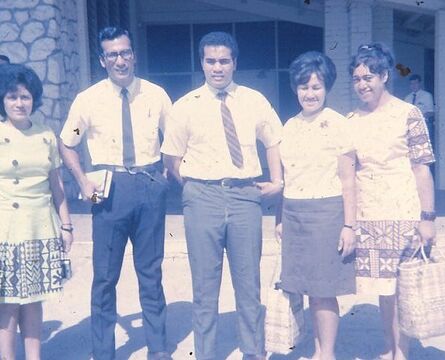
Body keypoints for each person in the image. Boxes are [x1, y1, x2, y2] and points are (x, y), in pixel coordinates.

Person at [161, 31, 283, 360]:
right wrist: (195, 186)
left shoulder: (254, 100)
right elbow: (172, 158)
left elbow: (273, 140)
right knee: (204, 287)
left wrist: (278, 179)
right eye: (211, 61)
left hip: (245, 195)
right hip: (202, 196)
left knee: (248, 285)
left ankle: (253, 353)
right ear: (202, 63)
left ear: (234, 63)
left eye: (224, 61)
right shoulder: (185, 106)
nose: (218, 67)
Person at [58, 27, 172, 360]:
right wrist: (82, 181)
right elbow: (68, 142)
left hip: (149, 185)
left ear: (133, 54)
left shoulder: (155, 95)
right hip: (108, 189)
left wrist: (167, 171)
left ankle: (159, 348)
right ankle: (104, 351)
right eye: (112, 55)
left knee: (151, 273)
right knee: (105, 277)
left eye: (125, 53)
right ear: (102, 60)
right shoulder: (88, 100)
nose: (120, 60)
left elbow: (176, 136)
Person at [349, 43, 435, 360]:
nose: (362, 84)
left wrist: (427, 218)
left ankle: (403, 351)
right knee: (384, 290)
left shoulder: (408, 114)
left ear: (384, 75)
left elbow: (422, 168)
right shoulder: (351, 120)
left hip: (403, 211)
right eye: (357, 78)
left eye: (368, 77)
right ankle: (390, 347)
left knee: (404, 289)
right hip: (369, 214)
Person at [277, 51, 356, 360]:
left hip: (327, 213)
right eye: (303, 87)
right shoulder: (289, 126)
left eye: (316, 87)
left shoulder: (338, 124)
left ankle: (328, 354)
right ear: (295, 88)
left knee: (324, 290)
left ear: (327, 88)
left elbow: (349, 180)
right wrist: (280, 219)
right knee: (304, 287)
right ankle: (317, 350)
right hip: (294, 212)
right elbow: (288, 177)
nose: (309, 94)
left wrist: (349, 226)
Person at [0, 64, 73, 359]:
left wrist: (66, 226)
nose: (19, 103)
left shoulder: (46, 135)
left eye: (26, 97)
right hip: (6, 227)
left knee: (33, 299)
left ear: (34, 100)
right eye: (12, 96)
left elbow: (57, 185)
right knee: (7, 301)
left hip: (40, 225)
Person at [404, 74, 435, 144]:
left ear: (419, 83)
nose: (413, 85)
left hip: (423, 125)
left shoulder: (427, 96)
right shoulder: (407, 98)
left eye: (415, 83)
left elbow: (431, 112)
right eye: (411, 84)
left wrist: (419, 117)